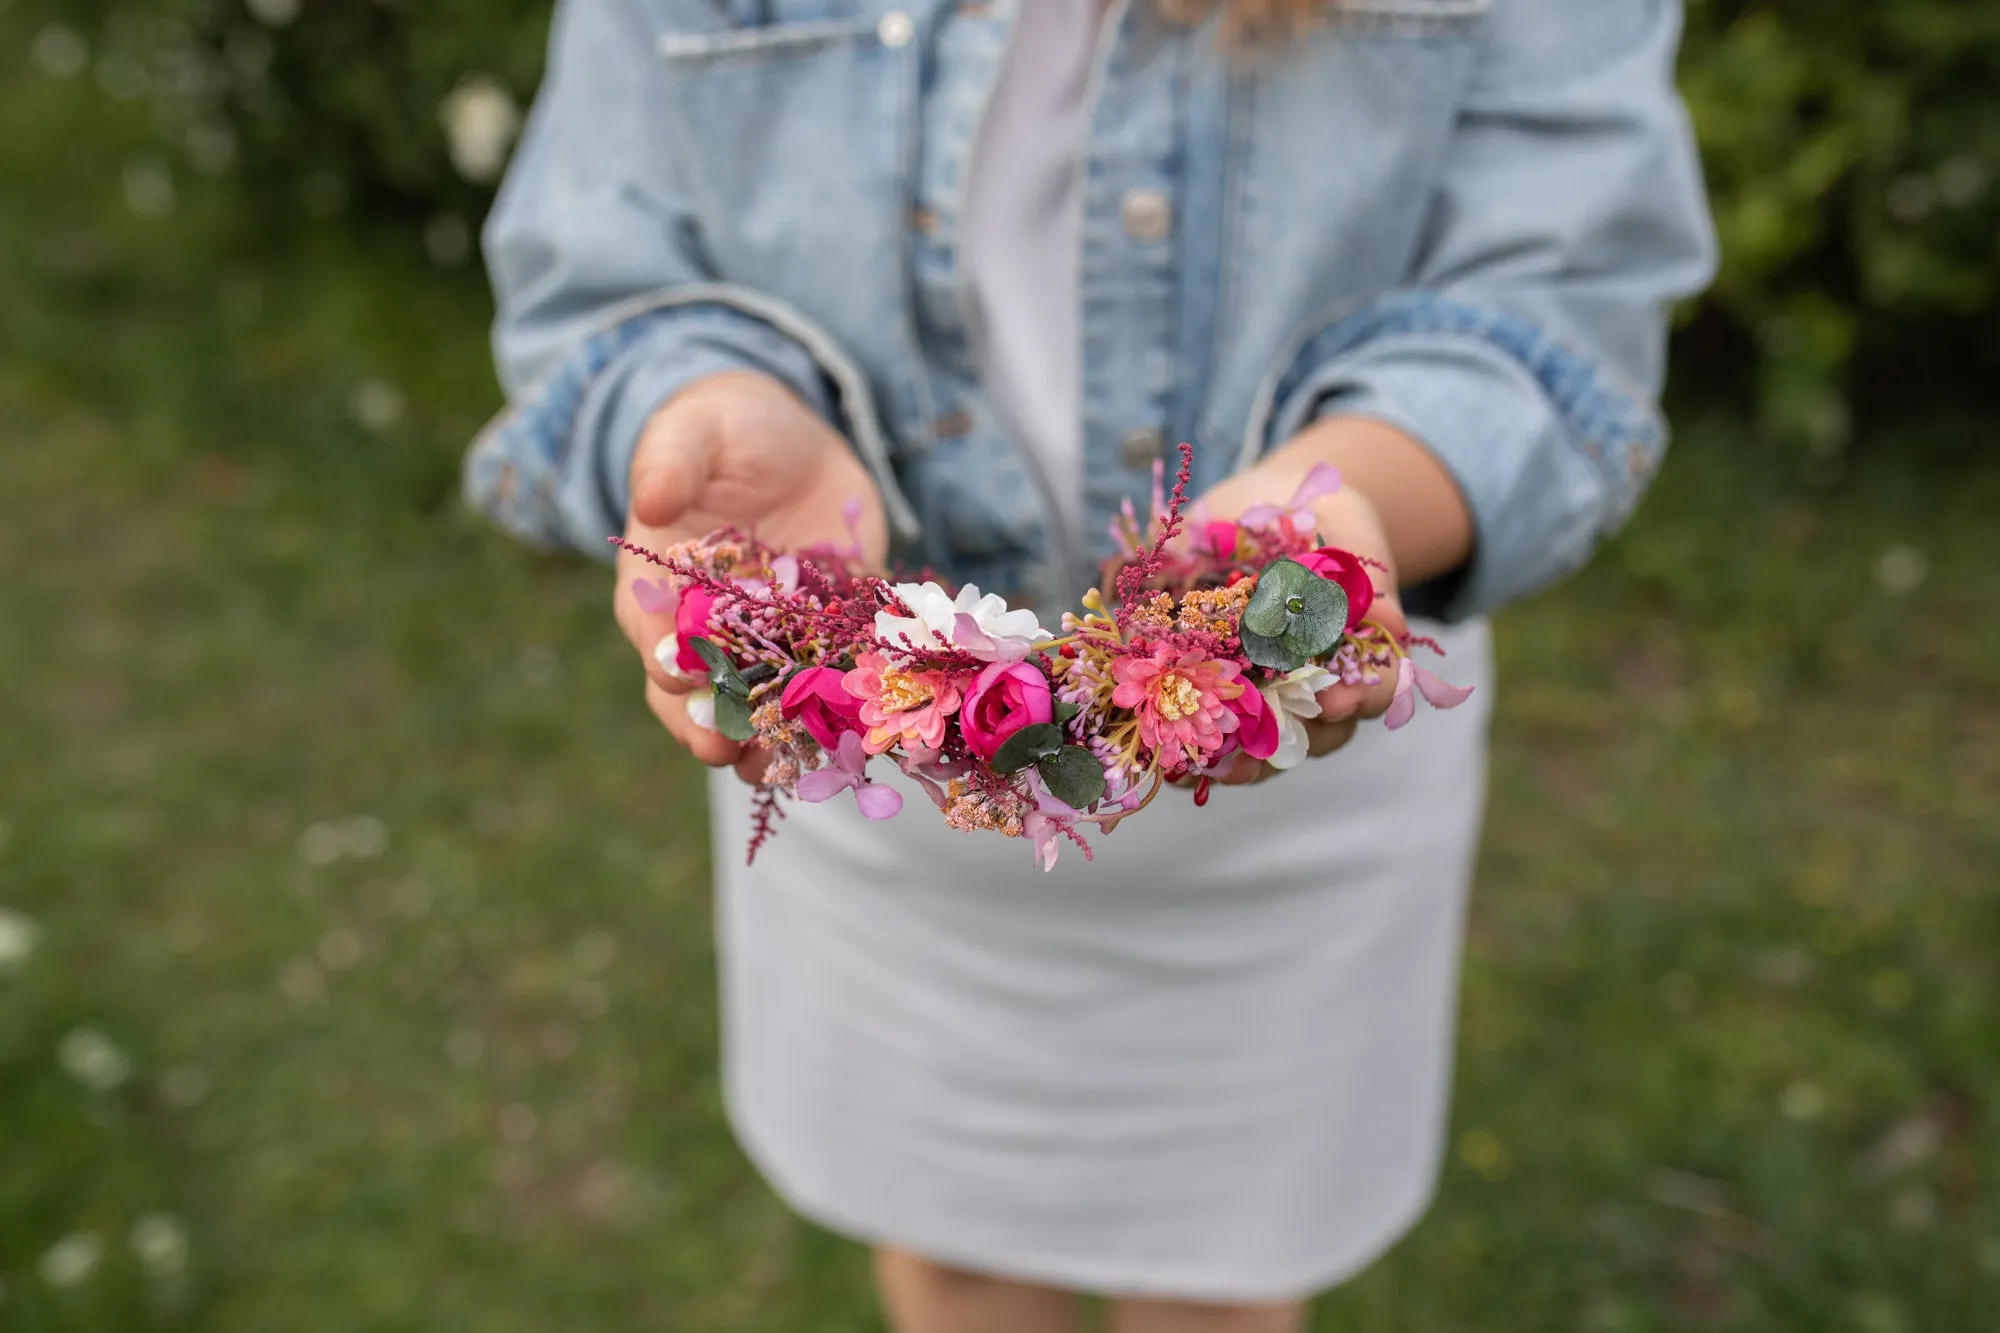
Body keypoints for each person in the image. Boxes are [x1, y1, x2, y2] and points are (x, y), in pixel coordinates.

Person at [465, 0, 1714, 1327]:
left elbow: (1558, 293)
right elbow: (603, 258)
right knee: (950, 1249)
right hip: (887, 768)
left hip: (1282, 792)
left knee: (1221, 1279)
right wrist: (705, 404)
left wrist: (1341, 512)